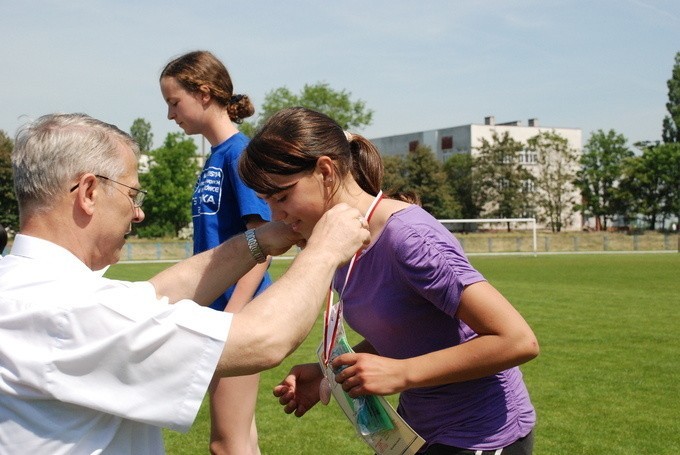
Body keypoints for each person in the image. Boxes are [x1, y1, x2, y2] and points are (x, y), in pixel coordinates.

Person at [0, 112, 371, 454]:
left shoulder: (26, 285)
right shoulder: (70, 310)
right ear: (89, 192)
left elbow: (155, 295)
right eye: (132, 194)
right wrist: (324, 249)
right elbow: (263, 339)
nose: (139, 212)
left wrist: (260, 241)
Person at [239, 107, 540, 455]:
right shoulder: (343, 239)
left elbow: (518, 340)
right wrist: (330, 375)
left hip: (482, 435)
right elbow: (408, 328)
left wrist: (403, 373)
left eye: (282, 197)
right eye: (267, 202)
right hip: (423, 432)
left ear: (325, 171)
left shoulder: (410, 238)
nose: (277, 217)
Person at [159, 50, 271, 454]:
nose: (171, 115)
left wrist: (232, 316)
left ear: (204, 93)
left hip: (235, 313)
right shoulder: (216, 157)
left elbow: (264, 242)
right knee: (240, 440)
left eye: (175, 102)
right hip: (219, 312)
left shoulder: (241, 155)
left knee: (227, 444)